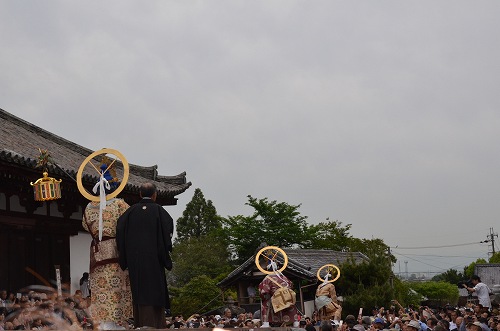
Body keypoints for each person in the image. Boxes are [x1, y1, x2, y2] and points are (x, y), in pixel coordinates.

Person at [82, 164, 133, 330]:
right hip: (116, 248)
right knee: (118, 286)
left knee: (101, 287)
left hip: (97, 252)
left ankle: (104, 325)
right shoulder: (119, 204)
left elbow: (85, 225)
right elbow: (129, 222)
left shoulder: (88, 207)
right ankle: (119, 324)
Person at [116, 182, 174, 329]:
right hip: (154, 260)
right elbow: (167, 232)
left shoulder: (129, 213)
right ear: (155, 195)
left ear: (140, 194)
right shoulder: (160, 211)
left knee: (139, 292)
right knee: (155, 290)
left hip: (135, 261)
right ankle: (156, 325)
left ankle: (140, 325)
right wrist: (165, 256)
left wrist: (126, 257)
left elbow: (120, 232)